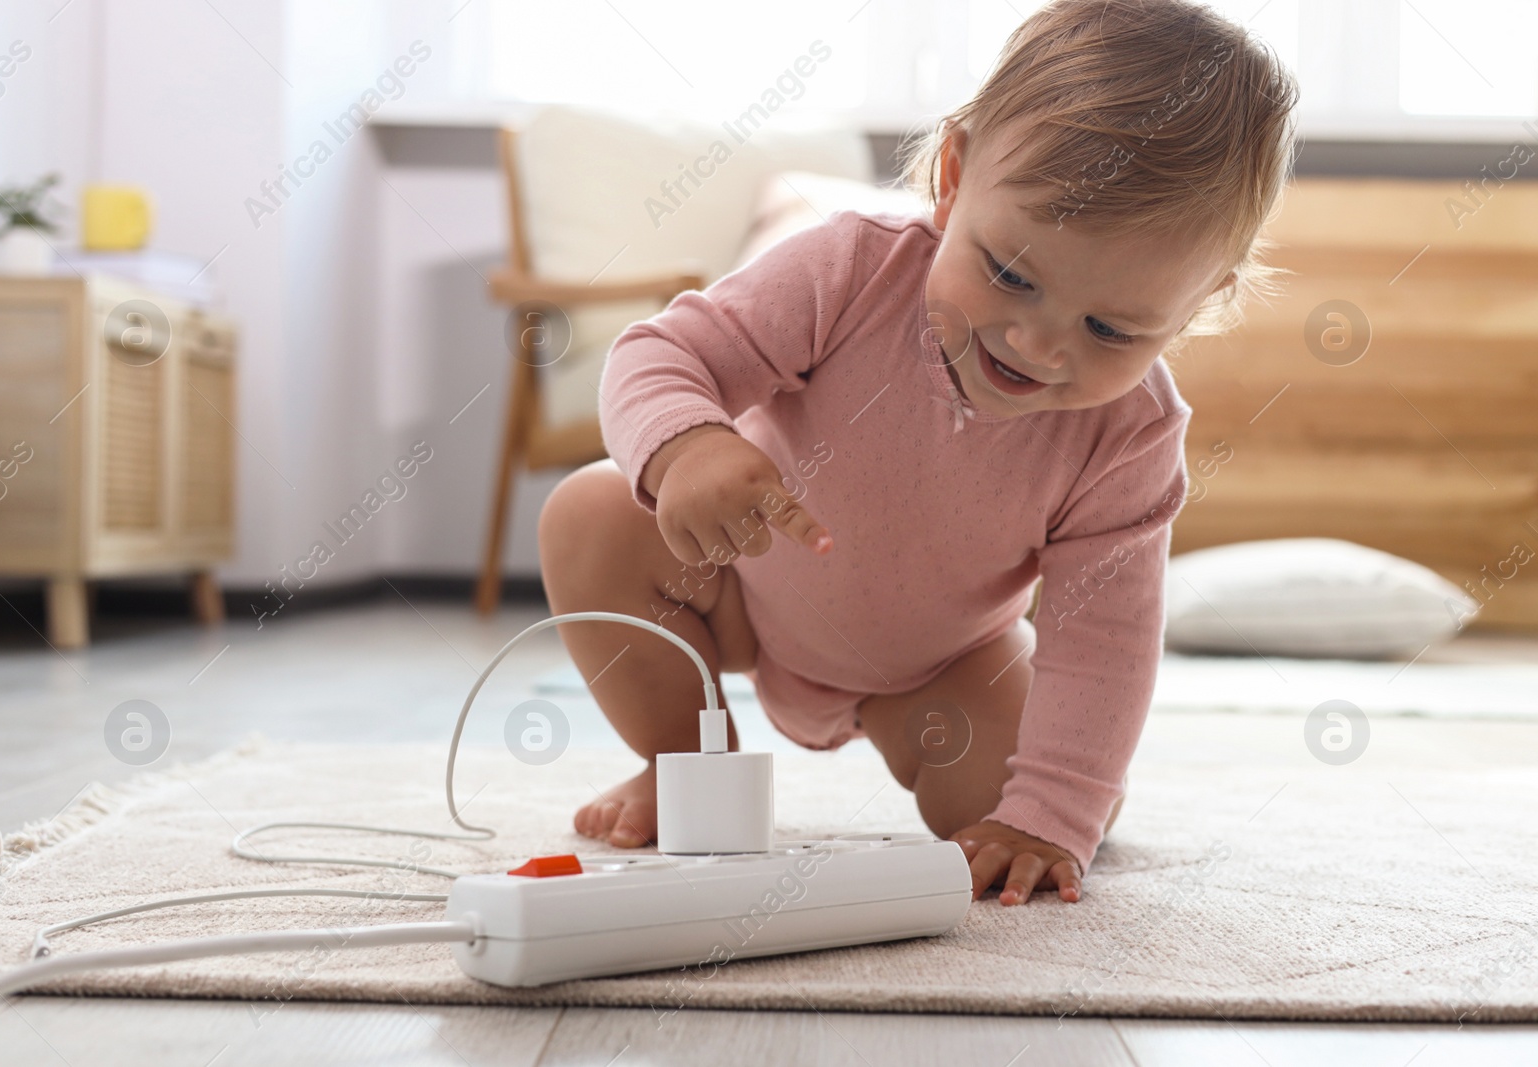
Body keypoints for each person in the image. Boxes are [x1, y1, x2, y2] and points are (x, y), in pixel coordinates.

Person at [538, 0, 1298, 906]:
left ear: (1201, 301)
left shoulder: (1128, 436)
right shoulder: (848, 270)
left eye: (1112, 328)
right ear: (953, 174)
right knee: (590, 517)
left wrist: (1056, 807)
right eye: (1010, 274)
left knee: (1027, 820)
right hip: (739, 592)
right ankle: (682, 766)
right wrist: (687, 446)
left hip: (942, 673)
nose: (1038, 345)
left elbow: (1105, 641)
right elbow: (660, 354)